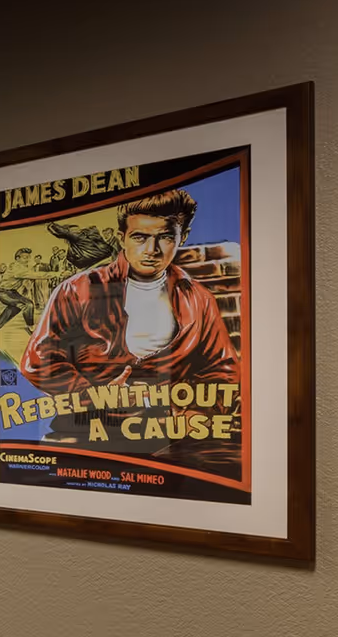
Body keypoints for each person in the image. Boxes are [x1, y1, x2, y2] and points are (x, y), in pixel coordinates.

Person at [21, 188, 240, 452]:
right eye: (140, 237)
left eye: (165, 237)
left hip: (166, 440)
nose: (152, 250)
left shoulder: (199, 299)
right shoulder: (79, 289)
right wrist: (94, 396)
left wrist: (193, 413)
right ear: (121, 238)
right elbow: (38, 360)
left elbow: (222, 368)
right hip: (84, 434)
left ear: (183, 238)